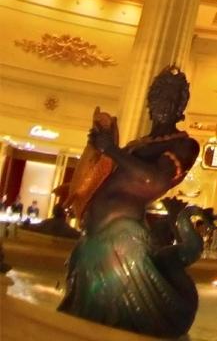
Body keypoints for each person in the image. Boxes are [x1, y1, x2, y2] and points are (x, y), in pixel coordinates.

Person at [59, 66, 201, 338]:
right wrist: (96, 153)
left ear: (181, 106)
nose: (162, 101)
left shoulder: (185, 146)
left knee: (118, 323)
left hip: (122, 242)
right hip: (93, 236)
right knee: (83, 321)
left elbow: (154, 181)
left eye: (170, 96)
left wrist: (111, 149)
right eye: (157, 94)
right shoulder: (136, 145)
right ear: (149, 101)